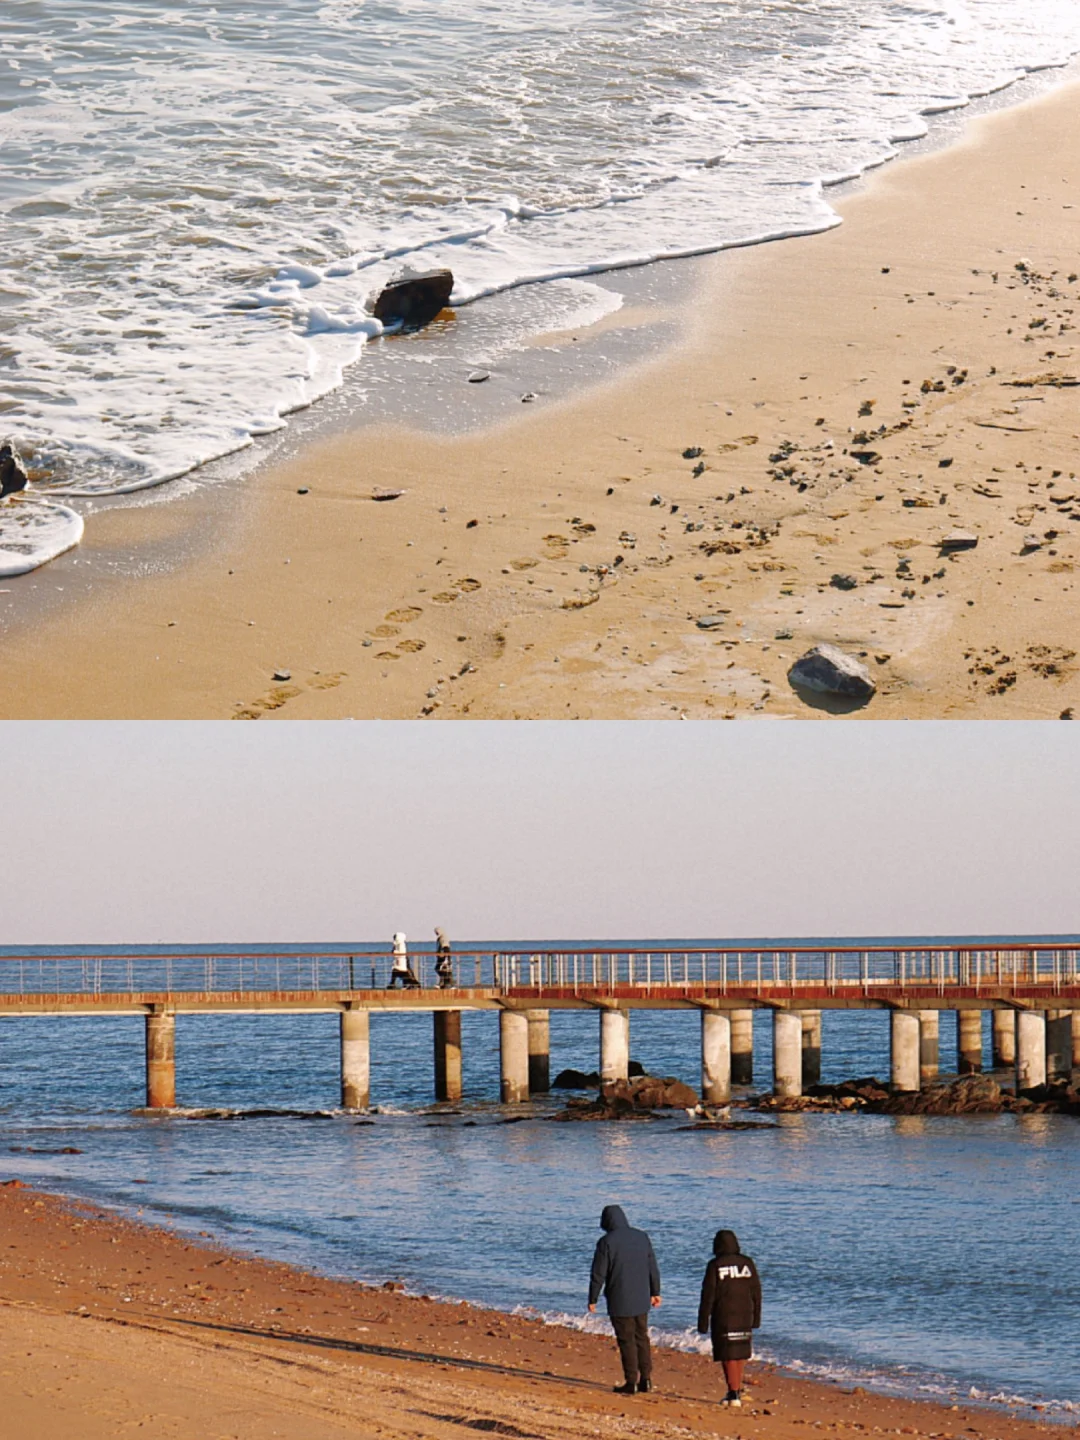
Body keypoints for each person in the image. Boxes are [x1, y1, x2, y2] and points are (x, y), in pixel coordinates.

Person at [587, 1205, 661, 1395]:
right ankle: (646, 1380)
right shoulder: (642, 1237)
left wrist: (593, 1297)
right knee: (641, 1337)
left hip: (619, 1298)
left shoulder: (606, 1242)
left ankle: (631, 1382)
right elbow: (652, 1266)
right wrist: (655, 1291)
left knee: (626, 1340)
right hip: (641, 1297)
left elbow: (599, 1272)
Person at [697, 1229, 762, 1408]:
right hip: (745, 1314)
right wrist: (756, 1318)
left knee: (727, 1354)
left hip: (723, 1315)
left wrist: (703, 1322)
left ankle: (733, 1393)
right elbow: (756, 1292)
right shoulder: (747, 1264)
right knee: (740, 1352)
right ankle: (736, 1389)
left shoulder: (715, 1265)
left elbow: (708, 1295)